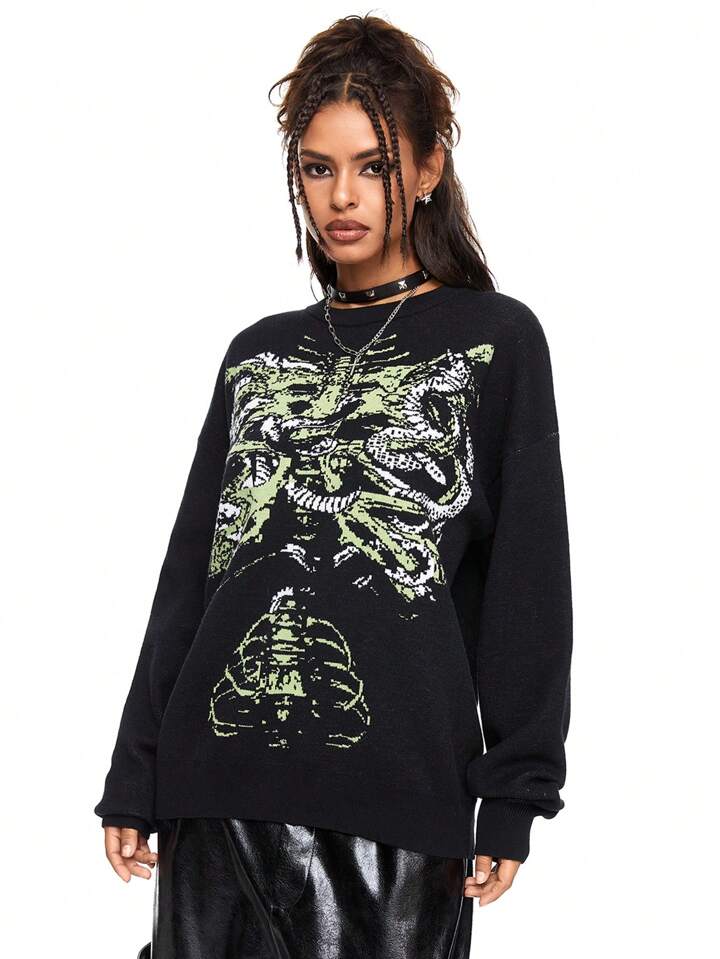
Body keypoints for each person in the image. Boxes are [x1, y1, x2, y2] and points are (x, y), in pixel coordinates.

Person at [94, 13, 573, 959]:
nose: (342, 196)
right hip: (215, 791)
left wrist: (516, 789)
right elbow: (193, 576)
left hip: (396, 807)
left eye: (373, 166)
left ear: (428, 169)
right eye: (318, 168)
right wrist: (134, 771)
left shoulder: (496, 340)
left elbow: (526, 585)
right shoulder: (258, 355)